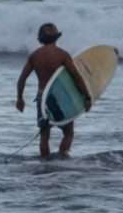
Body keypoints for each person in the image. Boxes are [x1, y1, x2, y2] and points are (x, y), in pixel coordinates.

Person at [15, 23, 92, 159]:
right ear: (56, 38)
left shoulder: (35, 56)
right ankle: (62, 158)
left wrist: (20, 99)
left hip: (43, 97)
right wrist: (86, 97)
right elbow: (76, 77)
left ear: (40, 38)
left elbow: (22, 79)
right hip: (61, 97)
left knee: (44, 135)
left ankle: (45, 162)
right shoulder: (62, 55)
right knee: (68, 133)